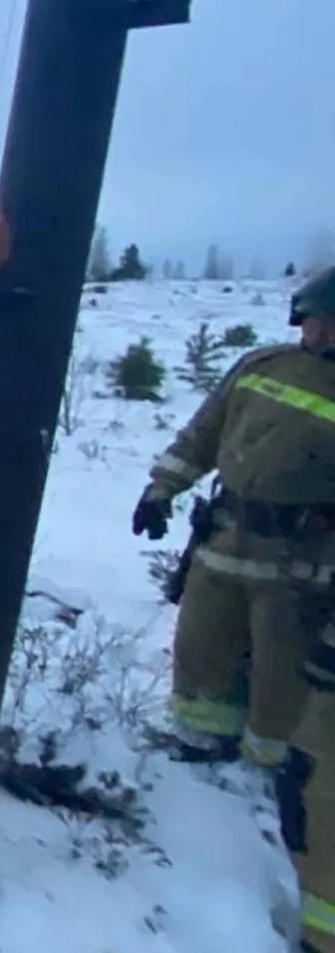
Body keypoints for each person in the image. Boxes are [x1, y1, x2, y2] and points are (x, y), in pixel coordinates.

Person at [134, 266, 335, 951]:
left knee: (282, 680)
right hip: (223, 542)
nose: (318, 331)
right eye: (313, 318)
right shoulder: (261, 366)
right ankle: (199, 746)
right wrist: (162, 489)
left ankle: (268, 775)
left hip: (300, 566)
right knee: (199, 650)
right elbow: (203, 433)